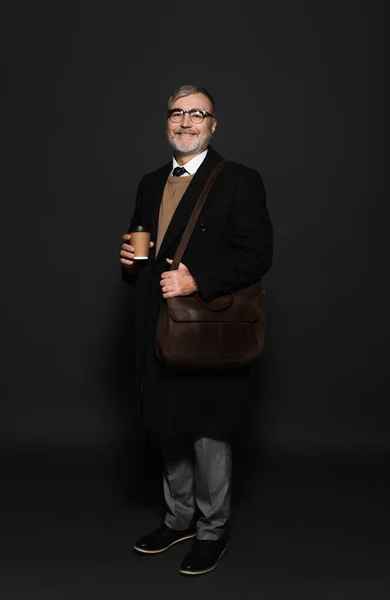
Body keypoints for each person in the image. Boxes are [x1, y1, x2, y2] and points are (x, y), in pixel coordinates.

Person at [119, 84, 273, 576]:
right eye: (177, 113)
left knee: (208, 430)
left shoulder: (239, 180)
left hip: (206, 328)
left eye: (197, 114)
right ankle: (179, 517)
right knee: (168, 424)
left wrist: (196, 278)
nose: (186, 122)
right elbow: (143, 255)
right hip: (158, 326)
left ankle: (212, 530)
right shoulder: (149, 182)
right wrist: (129, 263)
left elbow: (257, 255)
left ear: (212, 125)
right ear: (167, 121)